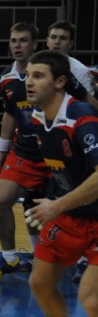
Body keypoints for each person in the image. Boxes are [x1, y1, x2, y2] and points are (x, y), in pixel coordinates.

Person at [0, 22, 95, 282]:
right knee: (3, 201)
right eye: (13, 40)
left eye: (23, 40)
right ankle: (12, 257)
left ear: (35, 44)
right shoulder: (8, 79)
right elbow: (10, 113)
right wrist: (2, 147)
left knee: (71, 204)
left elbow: (89, 107)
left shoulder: (71, 76)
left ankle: (81, 259)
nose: (17, 45)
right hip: (26, 150)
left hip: (60, 151)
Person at [24, 49, 98, 317]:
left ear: (60, 82)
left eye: (38, 76)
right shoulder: (37, 118)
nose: (29, 82)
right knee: (40, 283)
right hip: (70, 215)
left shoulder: (82, 117)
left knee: (91, 299)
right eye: (27, 75)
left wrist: (56, 206)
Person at [46, 19, 95, 283]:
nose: (57, 41)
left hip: (76, 137)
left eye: (62, 38)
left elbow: (91, 107)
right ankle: (46, 250)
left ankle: (85, 256)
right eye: (53, 36)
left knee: (82, 195)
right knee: (44, 195)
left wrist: (80, 93)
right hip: (49, 135)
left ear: (71, 43)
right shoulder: (40, 65)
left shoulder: (80, 71)